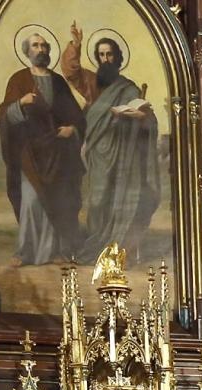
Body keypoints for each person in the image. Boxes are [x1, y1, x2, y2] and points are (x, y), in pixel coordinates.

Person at [61, 24, 160, 264]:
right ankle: (97, 242)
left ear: (117, 57)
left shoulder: (129, 88)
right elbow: (71, 72)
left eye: (109, 54)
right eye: (101, 55)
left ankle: (117, 247)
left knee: (118, 197)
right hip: (97, 152)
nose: (105, 59)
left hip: (123, 154)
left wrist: (139, 117)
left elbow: (148, 118)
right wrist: (75, 45)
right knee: (97, 199)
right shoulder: (93, 83)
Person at [0, 29, 86, 266]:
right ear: (27, 51)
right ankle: (26, 252)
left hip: (57, 151)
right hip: (30, 152)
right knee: (31, 200)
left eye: (44, 46)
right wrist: (20, 103)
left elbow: (76, 116)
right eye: (36, 46)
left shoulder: (57, 81)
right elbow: (4, 114)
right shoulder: (19, 79)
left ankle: (58, 251)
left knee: (59, 199)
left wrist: (72, 130)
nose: (41, 50)